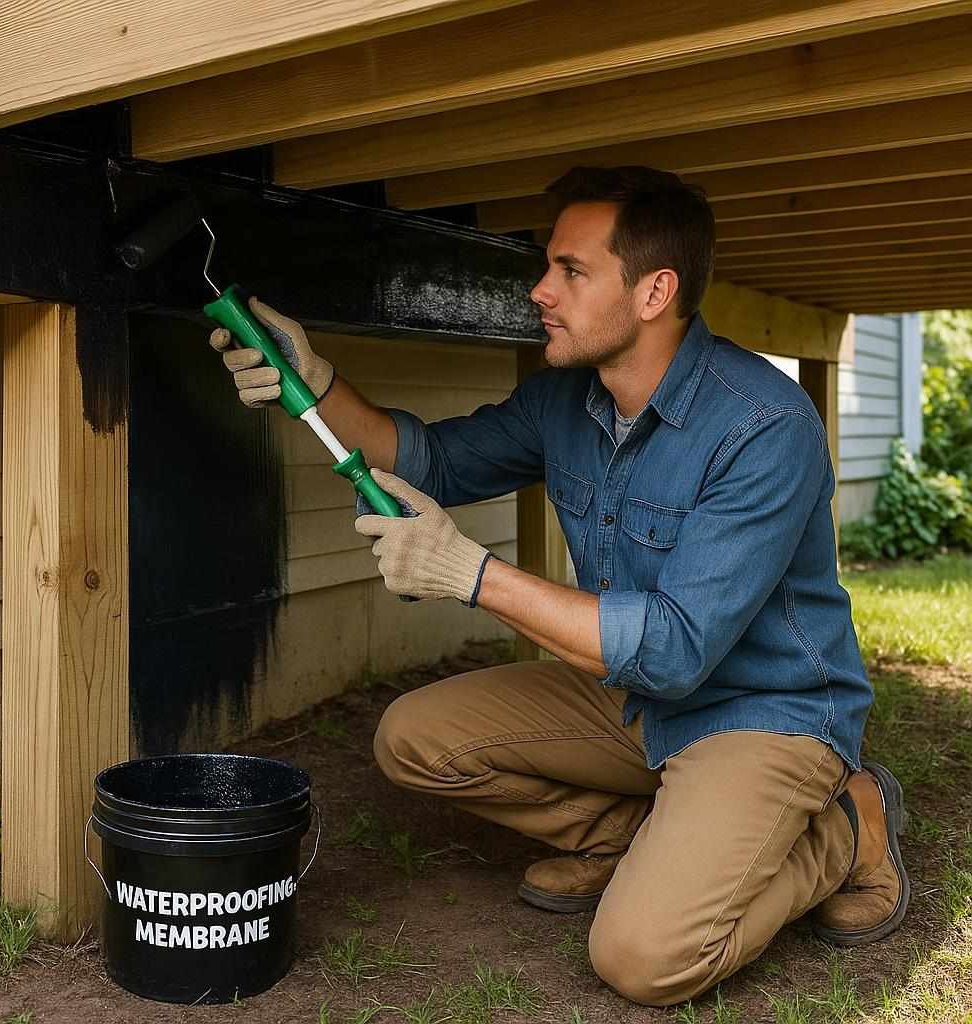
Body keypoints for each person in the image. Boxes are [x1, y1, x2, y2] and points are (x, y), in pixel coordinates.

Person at [206, 166, 908, 1007]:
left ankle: (844, 826)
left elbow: (679, 649)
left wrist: (472, 576)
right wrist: (314, 384)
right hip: (633, 698)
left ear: (655, 291)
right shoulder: (564, 402)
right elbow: (429, 457)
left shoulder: (765, 426)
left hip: (762, 711)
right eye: (548, 266)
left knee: (643, 958)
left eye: (571, 271)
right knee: (413, 739)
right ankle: (640, 841)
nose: (540, 290)